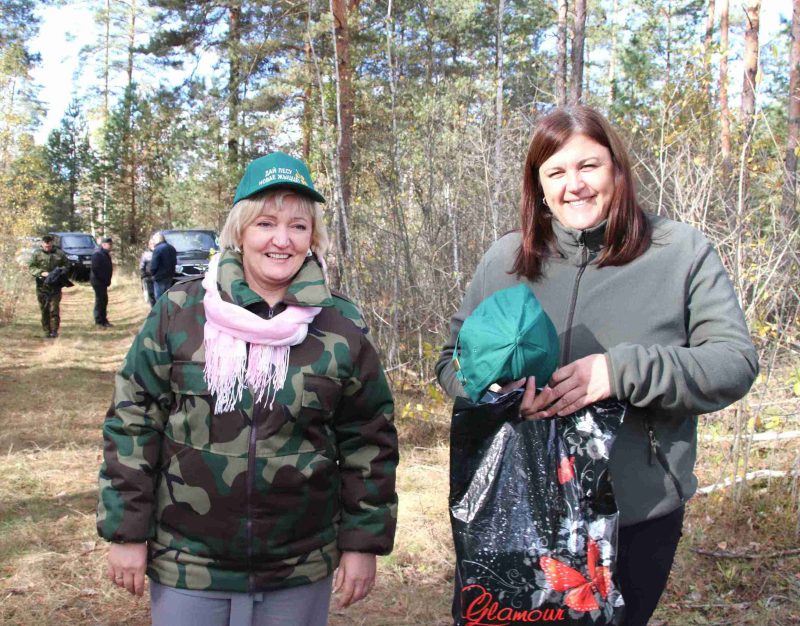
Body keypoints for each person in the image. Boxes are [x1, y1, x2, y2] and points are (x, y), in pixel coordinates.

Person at [436, 106, 758, 626]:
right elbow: (452, 361)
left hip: (631, 516)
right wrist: (501, 389)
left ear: (617, 172)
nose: (575, 185)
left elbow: (733, 363)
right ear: (538, 187)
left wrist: (619, 373)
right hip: (509, 510)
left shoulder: (680, 254)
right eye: (556, 172)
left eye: (589, 167)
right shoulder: (505, 260)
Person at [97, 151, 399, 626]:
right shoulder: (180, 311)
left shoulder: (341, 326)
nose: (282, 240)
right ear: (239, 231)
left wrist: (362, 543)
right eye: (265, 223)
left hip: (297, 570)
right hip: (188, 566)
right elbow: (132, 422)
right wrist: (126, 533)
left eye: (298, 226)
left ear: (312, 238)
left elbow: (370, 440)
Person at [29, 234, 69, 338]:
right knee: (44, 309)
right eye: (46, 246)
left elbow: (67, 265)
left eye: (49, 246)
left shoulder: (59, 253)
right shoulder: (37, 254)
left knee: (54, 309)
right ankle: (47, 331)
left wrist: (60, 272)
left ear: (52, 243)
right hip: (42, 287)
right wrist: (40, 273)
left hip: (55, 286)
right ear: (42, 244)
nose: (48, 247)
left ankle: (54, 331)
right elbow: (31, 267)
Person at [91, 236, 114, 327]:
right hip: (98, 281)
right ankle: (99, 320)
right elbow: (96, 269)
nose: (111, 246)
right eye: (109, 244)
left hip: (104, 281)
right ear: (103, 244)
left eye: (111, 244)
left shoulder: (105, 253)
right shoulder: (97, 254)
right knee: (100, 300)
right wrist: (103, 279)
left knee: (104, 300)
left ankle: (103, 319)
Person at [150, 231, 177, 301]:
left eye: (154, 240)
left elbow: (154, 265)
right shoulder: (172, 248)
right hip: (170, 276)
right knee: (167, 296)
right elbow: (175, 262)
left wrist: (152, 273)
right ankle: (168, 311)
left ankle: (161, 311)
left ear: (157, 240)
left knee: (159, 298)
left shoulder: (157, 249)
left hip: (159, 277)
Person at [139, 234, 157, 306]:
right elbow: (142, 266)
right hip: (149, 277)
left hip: (158, 277)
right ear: (149, 245)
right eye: (151, 244)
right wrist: (143, 276)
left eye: (154, 243)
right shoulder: (146, 254)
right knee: (151, 294)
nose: (152, 245)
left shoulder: (160, 252)